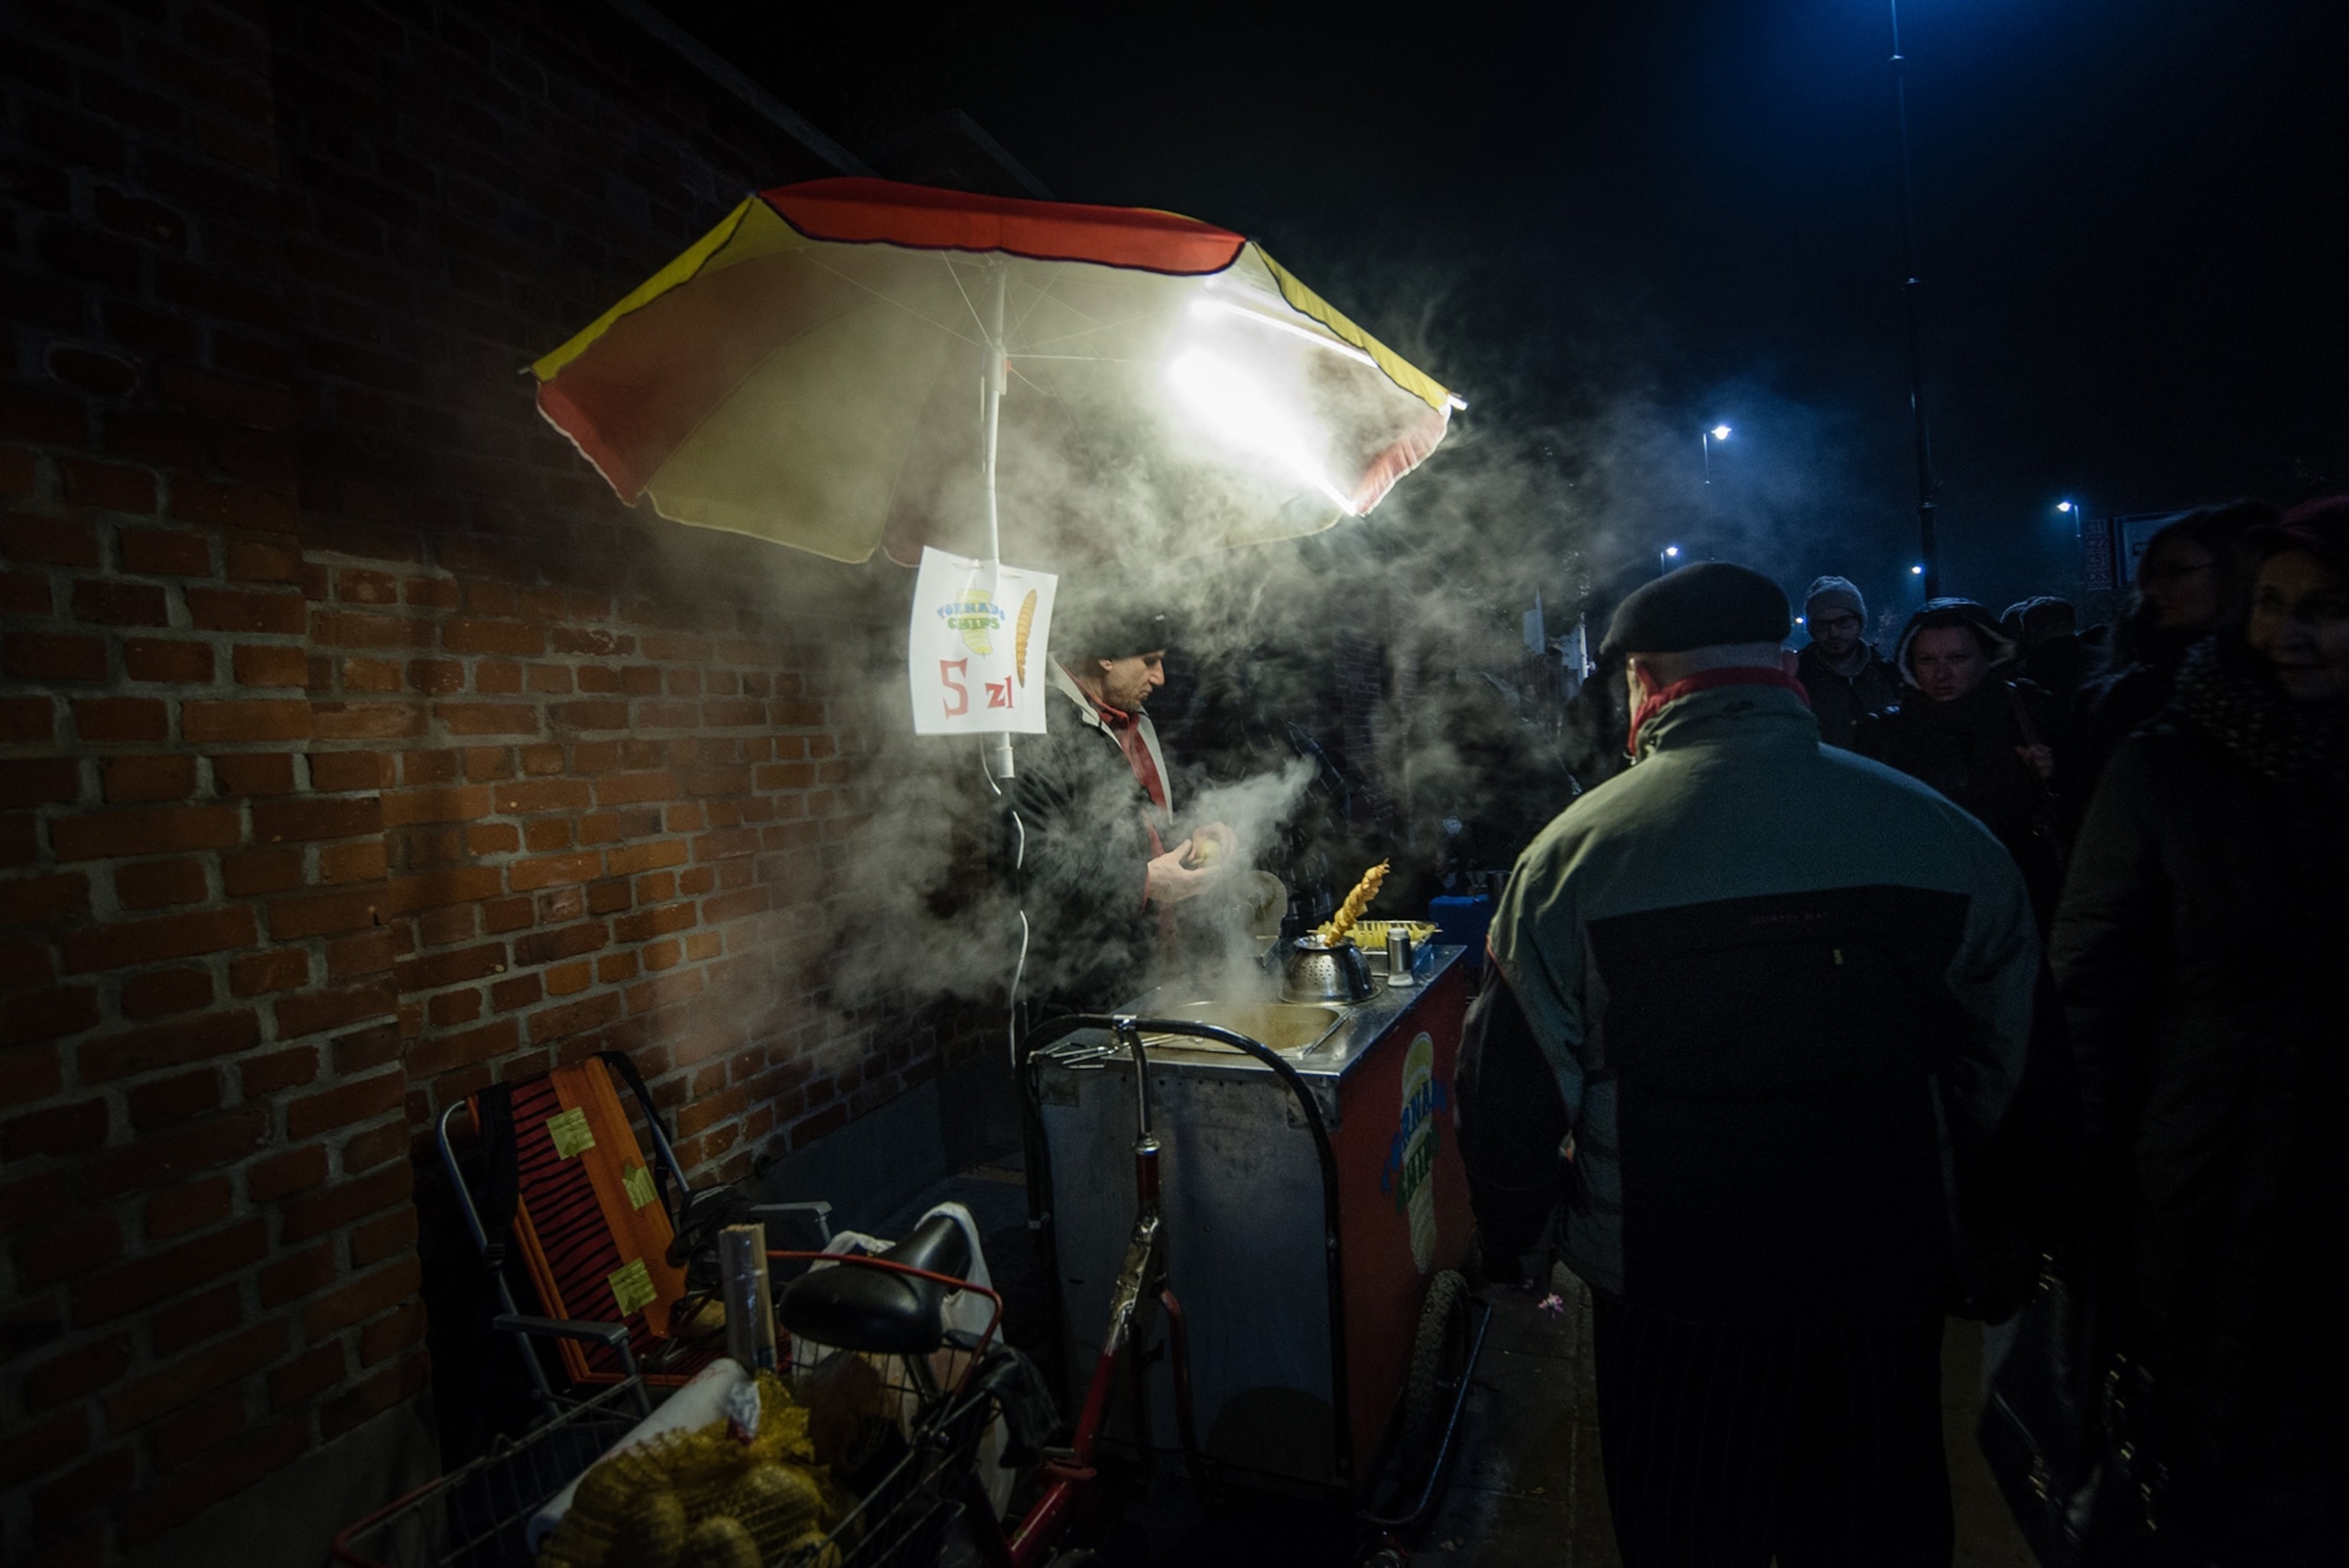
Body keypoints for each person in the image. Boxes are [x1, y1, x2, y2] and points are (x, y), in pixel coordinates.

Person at [1457, 563, 2037, 1568]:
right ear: (1785, 668)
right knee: (1874, 1525)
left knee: (1692, 1525)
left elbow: (1511, 1088)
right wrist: (2002, 1239)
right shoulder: (1946, 836)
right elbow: (2012, 1065)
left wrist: (1517, 1248)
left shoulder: (1572, 856)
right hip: (1886, 1260)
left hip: (1675, 1281)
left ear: (1643, 683)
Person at [2049, 495, 2349, 1562]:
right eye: (2270, 603)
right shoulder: (2169, 761)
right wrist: (2076, 1163)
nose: (2290, 632)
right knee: (2203, 1432)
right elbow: (2090, 977)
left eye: (2324, 608)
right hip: (2200, 1158)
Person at [1009, 602, 1236, 1017]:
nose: (1160, 678)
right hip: (1083, 989)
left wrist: (1193, 834)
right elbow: (1035, 862)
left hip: (1153, 967)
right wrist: (1143, 881)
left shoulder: (1133, 716)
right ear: (1106, 658)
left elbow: (1144, 819)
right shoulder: (1040, 729)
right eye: (1149, 662)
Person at [1857, 599, 2067, 922]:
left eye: (1958, 658)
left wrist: (2054, 775)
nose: (1942, 674)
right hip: (1929, 907)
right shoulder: (1884, 734)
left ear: (1989, 657)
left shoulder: (2032, 713)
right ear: (1909, 664)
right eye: (1927, 660)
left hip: (2026, 900)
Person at [2069, 501, 2269, 818]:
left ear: (2236, 572)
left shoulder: (2283, 681)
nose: (2152, 589)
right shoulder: (2131, 696)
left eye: (2175, 572)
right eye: (2151, 573)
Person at [1794, 574, 1900, 748]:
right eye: (1823, 625)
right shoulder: (1796, 680)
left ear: (1860, 622)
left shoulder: (1891, 677)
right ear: (1812, 629)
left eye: (1844, 622)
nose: (1834, 632)